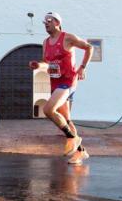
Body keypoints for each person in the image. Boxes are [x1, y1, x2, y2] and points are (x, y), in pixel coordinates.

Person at [29, 12, 93, 164]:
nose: (45, 23)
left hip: (69, 81)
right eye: (44, 22)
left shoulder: (68, 38)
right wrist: (39, 65)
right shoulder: (45, 43)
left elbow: (89, 47)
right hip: (55, 82)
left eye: (48, 21)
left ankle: (72, 138)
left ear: (57, 22)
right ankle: (80, 152)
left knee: (48, 110)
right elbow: (47, 62)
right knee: (66, 120)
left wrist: (83, 67)